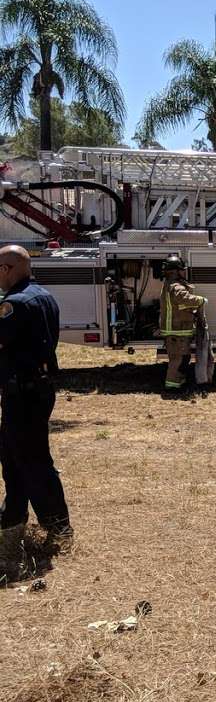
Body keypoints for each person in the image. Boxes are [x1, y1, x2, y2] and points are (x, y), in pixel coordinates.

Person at [0, 244, 72, 579]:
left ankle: (57, 530)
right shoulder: (43, 295)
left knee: (31, 463)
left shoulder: (13, 304)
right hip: (37, 389)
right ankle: (13, 521)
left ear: (7, 268)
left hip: (23, 393)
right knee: (15, 459)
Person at [159, 255, 206, 392]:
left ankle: (180, 381)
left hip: (177, 331)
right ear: (175, 271)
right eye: (181, 270)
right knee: (178, 360)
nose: (184, 272)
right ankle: (173, 387)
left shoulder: (170, 285)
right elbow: (185, 299)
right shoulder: (176, 287)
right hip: (177, 331)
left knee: (182, 359)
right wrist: (200, 300)